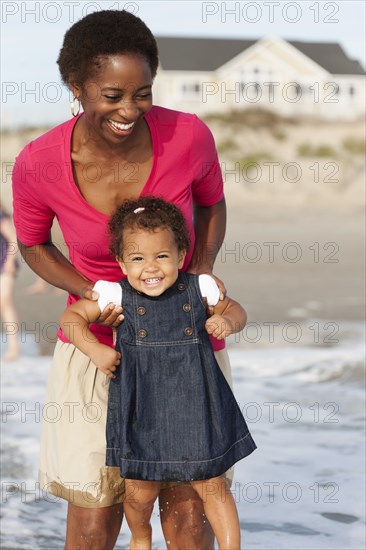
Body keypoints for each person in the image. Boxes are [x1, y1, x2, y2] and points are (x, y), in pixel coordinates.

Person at [12, 9, 228, 549]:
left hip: (185, 351)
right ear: (77, 87)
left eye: (143, 93)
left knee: (187, 512)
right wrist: (92, 290)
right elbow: (33, 245)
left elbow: (212, 205)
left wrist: (198, 275)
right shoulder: (39, 162)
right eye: (112, 95)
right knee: (94, 516)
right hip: (96, 351)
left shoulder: (189, 136)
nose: (129, 109)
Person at [60, 196, 256, 549]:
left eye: (162, 256)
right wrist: (95, 349)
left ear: (180, 256)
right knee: (139, 491)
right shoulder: (115, 296)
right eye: (137, 258)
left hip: (198, 405)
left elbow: (236, 309)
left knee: (213, 485)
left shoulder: (199, 289)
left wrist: (228, 321)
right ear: (121, 262)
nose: (150, 268)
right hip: (142, 409)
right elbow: (71, 319)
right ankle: (141, 535)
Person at [0, 205, 20, 361]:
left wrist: (10, 261)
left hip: (4, 265)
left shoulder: (1, 214)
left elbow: (13, 238)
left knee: (5, 302)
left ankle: (14, 347)